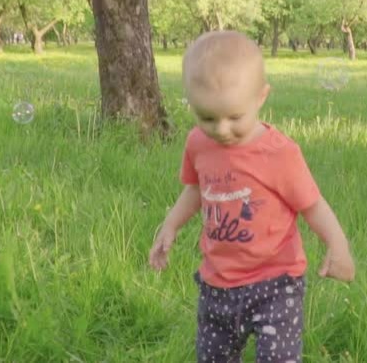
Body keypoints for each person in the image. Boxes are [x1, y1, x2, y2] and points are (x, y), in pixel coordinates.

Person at [149, 30, 355, 362]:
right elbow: (195, 189)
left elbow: (312, 204)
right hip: (217, 282)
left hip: (276, 282)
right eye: (207, 117)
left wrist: (338, 244)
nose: (221, 129)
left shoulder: (279, 153)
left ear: (260, 97)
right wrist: (170, 225)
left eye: (234, 117)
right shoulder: (198, 144)